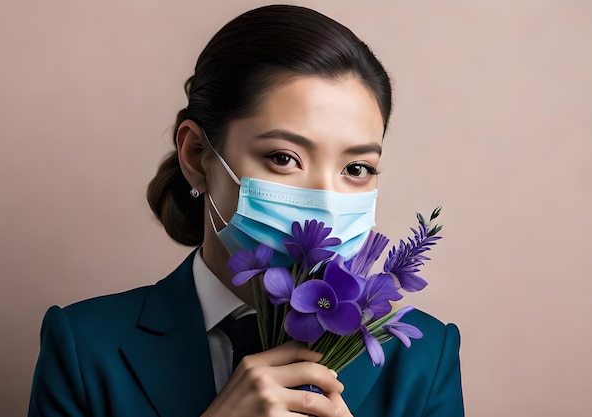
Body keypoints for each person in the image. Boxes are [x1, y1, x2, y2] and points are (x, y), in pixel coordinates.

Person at [28, 4, 464, 417]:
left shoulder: (421, 359)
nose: (326, 205)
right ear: (198, 155)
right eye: (283, 158)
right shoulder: (85, 347)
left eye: (356, 168)